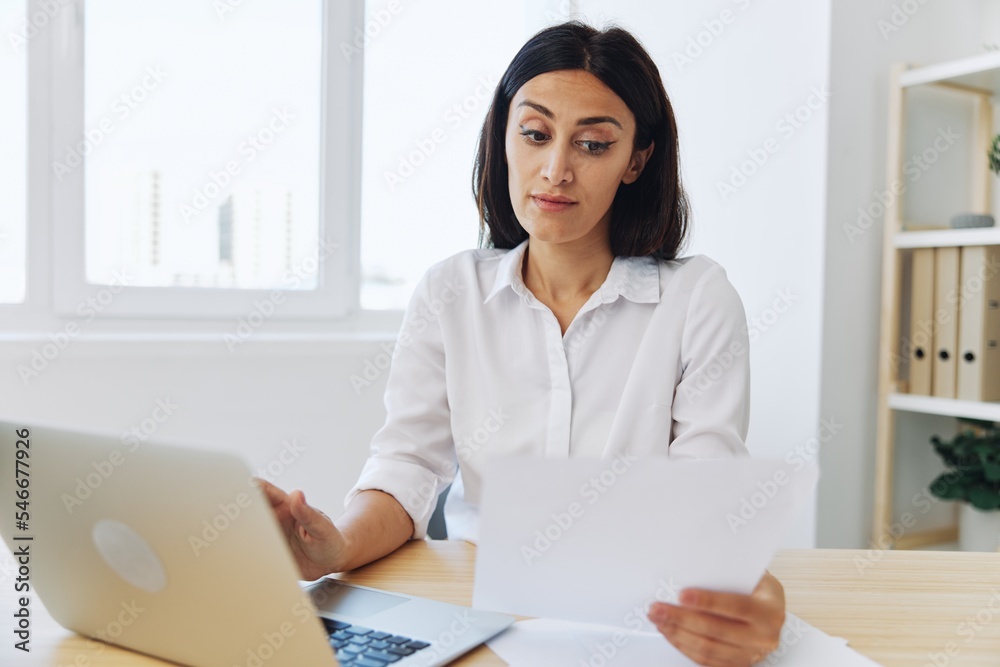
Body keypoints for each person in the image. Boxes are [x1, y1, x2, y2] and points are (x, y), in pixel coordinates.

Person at [258, 20, 785, 666]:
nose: (556, 170)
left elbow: (708, 497)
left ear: (636, 160)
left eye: (593, 144)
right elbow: (407, 468)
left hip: (639, 623)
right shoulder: (449, 291)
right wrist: (334, 547)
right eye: (535, 134)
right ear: (503, 136)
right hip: (483, 616)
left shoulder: (697, 300)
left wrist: (751, 593)